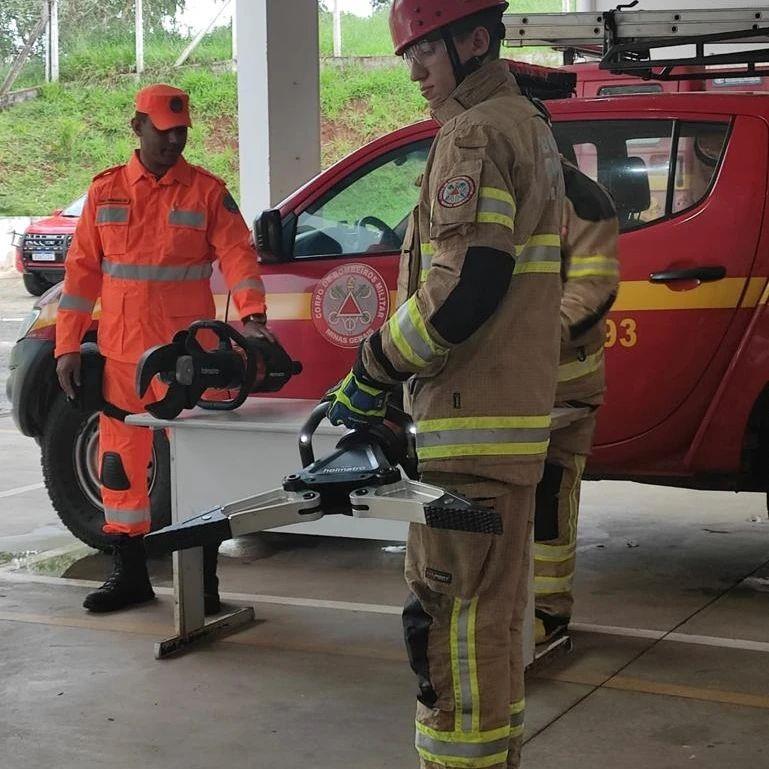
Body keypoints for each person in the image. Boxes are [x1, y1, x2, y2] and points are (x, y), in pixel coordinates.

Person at [323, 2, 564, 767]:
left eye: (424, 51)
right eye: (407, 55)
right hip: (504, 432)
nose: (414, 69)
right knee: (486, 628)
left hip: (467, 436)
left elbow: (464, 287)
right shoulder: (524, 123)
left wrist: (372, 366)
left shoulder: (474, 133)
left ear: (472, 39)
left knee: (449, 632)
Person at [55, 84, 272, 615]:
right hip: (122, 365)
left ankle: (204, 585)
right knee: (119, 471)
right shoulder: (104, 193)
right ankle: (129, 575)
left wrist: (255, 319)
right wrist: (67, 345)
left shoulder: (205, 193)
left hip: (186, 363)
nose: (174, 141)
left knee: (197, 471)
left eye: (181, 133)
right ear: (138, 128)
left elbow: (239, 256)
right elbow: (80, 275)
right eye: (164, 131)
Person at [533, 157, 620, 644]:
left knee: (549, 497)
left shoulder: (582, 200)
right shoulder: (485, 185)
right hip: (490, 383)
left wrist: (527, 339)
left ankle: (548, 609)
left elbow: (592, 288)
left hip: (561, 383)